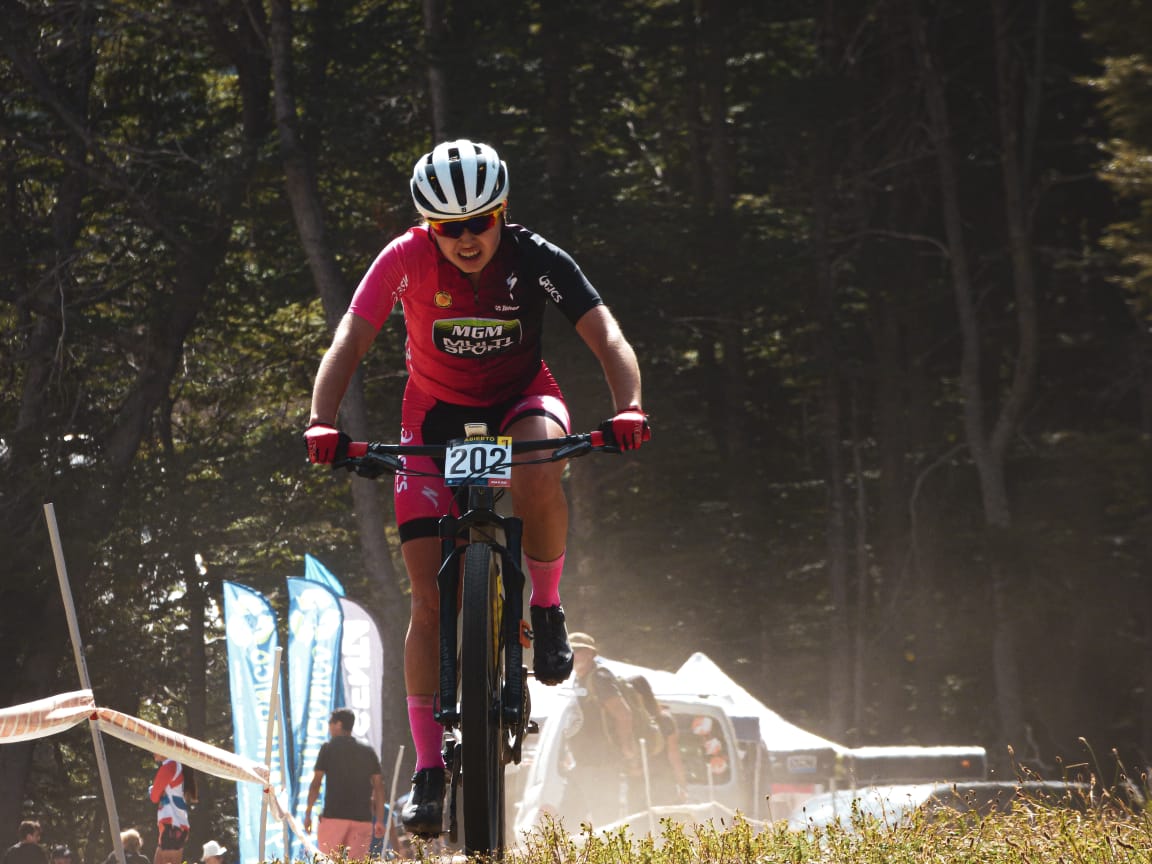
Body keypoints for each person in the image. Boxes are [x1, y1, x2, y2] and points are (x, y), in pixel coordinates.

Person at [305, 138, 650, 836]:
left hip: (523, 400)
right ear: (428, 227)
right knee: (427, 601)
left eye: (478, 222)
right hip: (430, 416)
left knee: (537, 466)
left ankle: (546, 608)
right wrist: (320, 421)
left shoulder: (536, 258)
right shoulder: (402, 258)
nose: (465, 239)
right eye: (448, 227)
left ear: (501, 212)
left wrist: (629, 405)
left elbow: (605, 332)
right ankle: (430, 771)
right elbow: (349, 338)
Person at [560, 632, 639, 826]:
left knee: (605, 822)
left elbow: (623, 714)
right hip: (583, 764)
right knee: (566, 822)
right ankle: (572, 857)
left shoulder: (600, 678)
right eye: (568, 650)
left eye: (576, 650)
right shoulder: (578, 679)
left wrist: (626, 748)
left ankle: (608, 857)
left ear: (590, 654)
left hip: (602, 765)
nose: (570, 654)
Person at [303, 708, 386, 859]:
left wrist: (308, 812)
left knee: (328, 860)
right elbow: (379, 787)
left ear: (338, 724)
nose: (328, 726)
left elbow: (316, 784)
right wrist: (379, 819)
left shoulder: (328, 748)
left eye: (330, 723)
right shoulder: (368, 751)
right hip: (363, 819)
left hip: (334, 818)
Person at [625, 674, 690, 809]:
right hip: (663, 782)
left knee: (639, 827)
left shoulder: (626, 721)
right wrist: (682, 786)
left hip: (639, 784)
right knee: (663, 825)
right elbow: (674, 756)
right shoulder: (665, 720)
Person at [149, 753, 197, 864]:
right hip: (177, 825)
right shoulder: (176, 765)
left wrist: (152, 790)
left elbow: (154, 797)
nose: (152, 751)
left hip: (171, 826)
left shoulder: (169, 766)